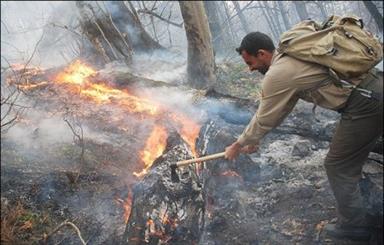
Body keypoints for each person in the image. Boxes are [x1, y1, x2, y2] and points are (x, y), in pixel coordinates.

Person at [224, 31, 383, 241]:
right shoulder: (293, 57)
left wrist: (237, 145)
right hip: (375, 87)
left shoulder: (278, 73)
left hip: (365, 103)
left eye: (250, 61)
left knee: (338, 166)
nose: (250, 68)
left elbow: (265, 117)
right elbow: (280, 110)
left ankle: (355, 226)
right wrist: (254, 139)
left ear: (262, 54)